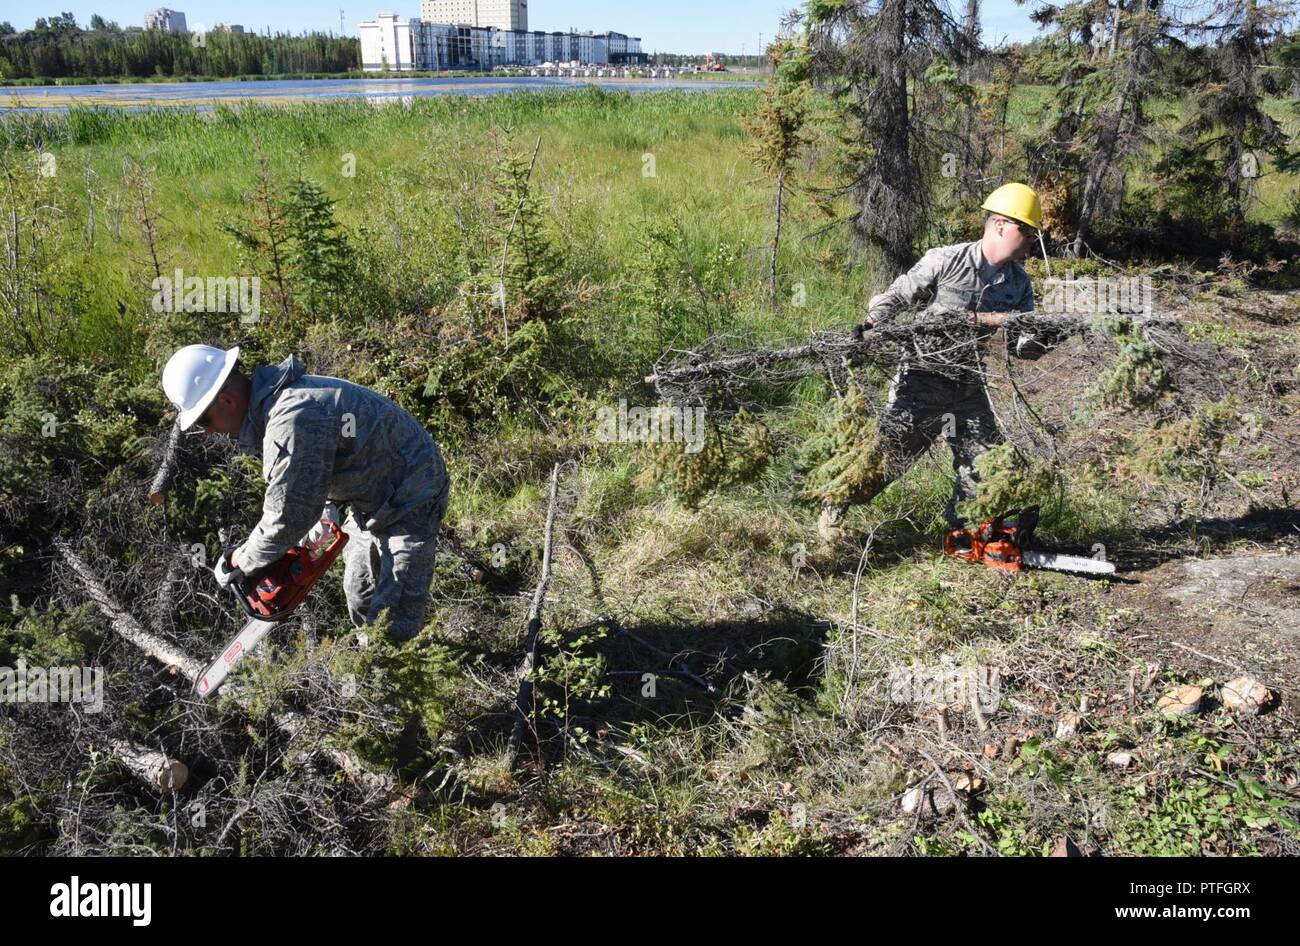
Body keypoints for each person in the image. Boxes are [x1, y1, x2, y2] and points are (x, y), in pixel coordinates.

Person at [162, 345, 450, 642]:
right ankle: (374, 654)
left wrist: (240, 561)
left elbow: (287, 517)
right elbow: (323, 460)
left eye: (203, 421)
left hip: (413, 492)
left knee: (393, 615)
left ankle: (394, 670)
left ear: (226, 399)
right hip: (370, 498)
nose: (208, 433)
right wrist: (328, 503)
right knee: (360, 590)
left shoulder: (291, 416)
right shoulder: (275, 407)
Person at [818, 182, 1048, 543]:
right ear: (1001, 225)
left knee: (985, 464)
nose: (1032, 240)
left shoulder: (1019, 283)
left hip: (969, 387)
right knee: (887, 460)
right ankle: (834, 509)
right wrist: (873, 323)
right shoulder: (947, 260)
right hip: (921, 379)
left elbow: (1023, 344)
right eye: (1027, 231)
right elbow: (897, 295)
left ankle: (963, 532)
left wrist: (1041, 339)